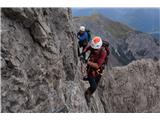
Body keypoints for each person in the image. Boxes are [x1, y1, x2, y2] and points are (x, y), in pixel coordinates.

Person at [80, 36, 110, 103]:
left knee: (94, 86)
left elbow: (97, 65)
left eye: (95, 49)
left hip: (98, 69)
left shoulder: (103, 52)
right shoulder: (94, 46)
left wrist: (86, 61)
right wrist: (84, 52)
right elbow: (89, 47)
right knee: (93, 84)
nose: (93, 50)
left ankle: (88, 93)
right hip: (92, 69)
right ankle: (88, 88)